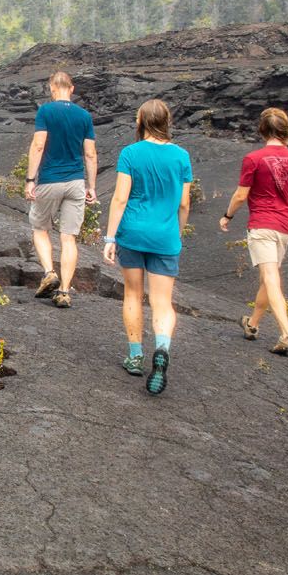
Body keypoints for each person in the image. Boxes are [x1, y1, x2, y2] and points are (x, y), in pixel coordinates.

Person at [102, 99, 192, 395]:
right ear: (167, 121)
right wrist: (176, 234)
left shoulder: (131, 153)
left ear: (140, 121)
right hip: (165, 237)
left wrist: (110, 237)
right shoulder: (181, 157)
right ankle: (162, 348)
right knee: (162, 302)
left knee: (132, 293)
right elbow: (183, 203)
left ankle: (136, 355)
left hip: (133, 234)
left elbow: (119, 199)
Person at [219, 107, 288, 355]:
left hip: (262, 224)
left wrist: (227, 215)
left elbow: (241, 194)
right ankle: (251, 324)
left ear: (262, 130)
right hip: (285, 227)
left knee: (271, 278)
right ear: (285, 130)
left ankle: (287, 334)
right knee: (267, 278)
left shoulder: (254, 158)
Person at [25, 71, 98, 308]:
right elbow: (90, 153)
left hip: (49, 180)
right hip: (76, 182)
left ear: (52, 88)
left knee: (39, 227)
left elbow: (38, 145)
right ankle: (64, 291)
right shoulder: (84, 116)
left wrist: (30, 179)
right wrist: (92, 186)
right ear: (72, 88)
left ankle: (49, 272)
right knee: (69, 238)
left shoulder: (46, 111)